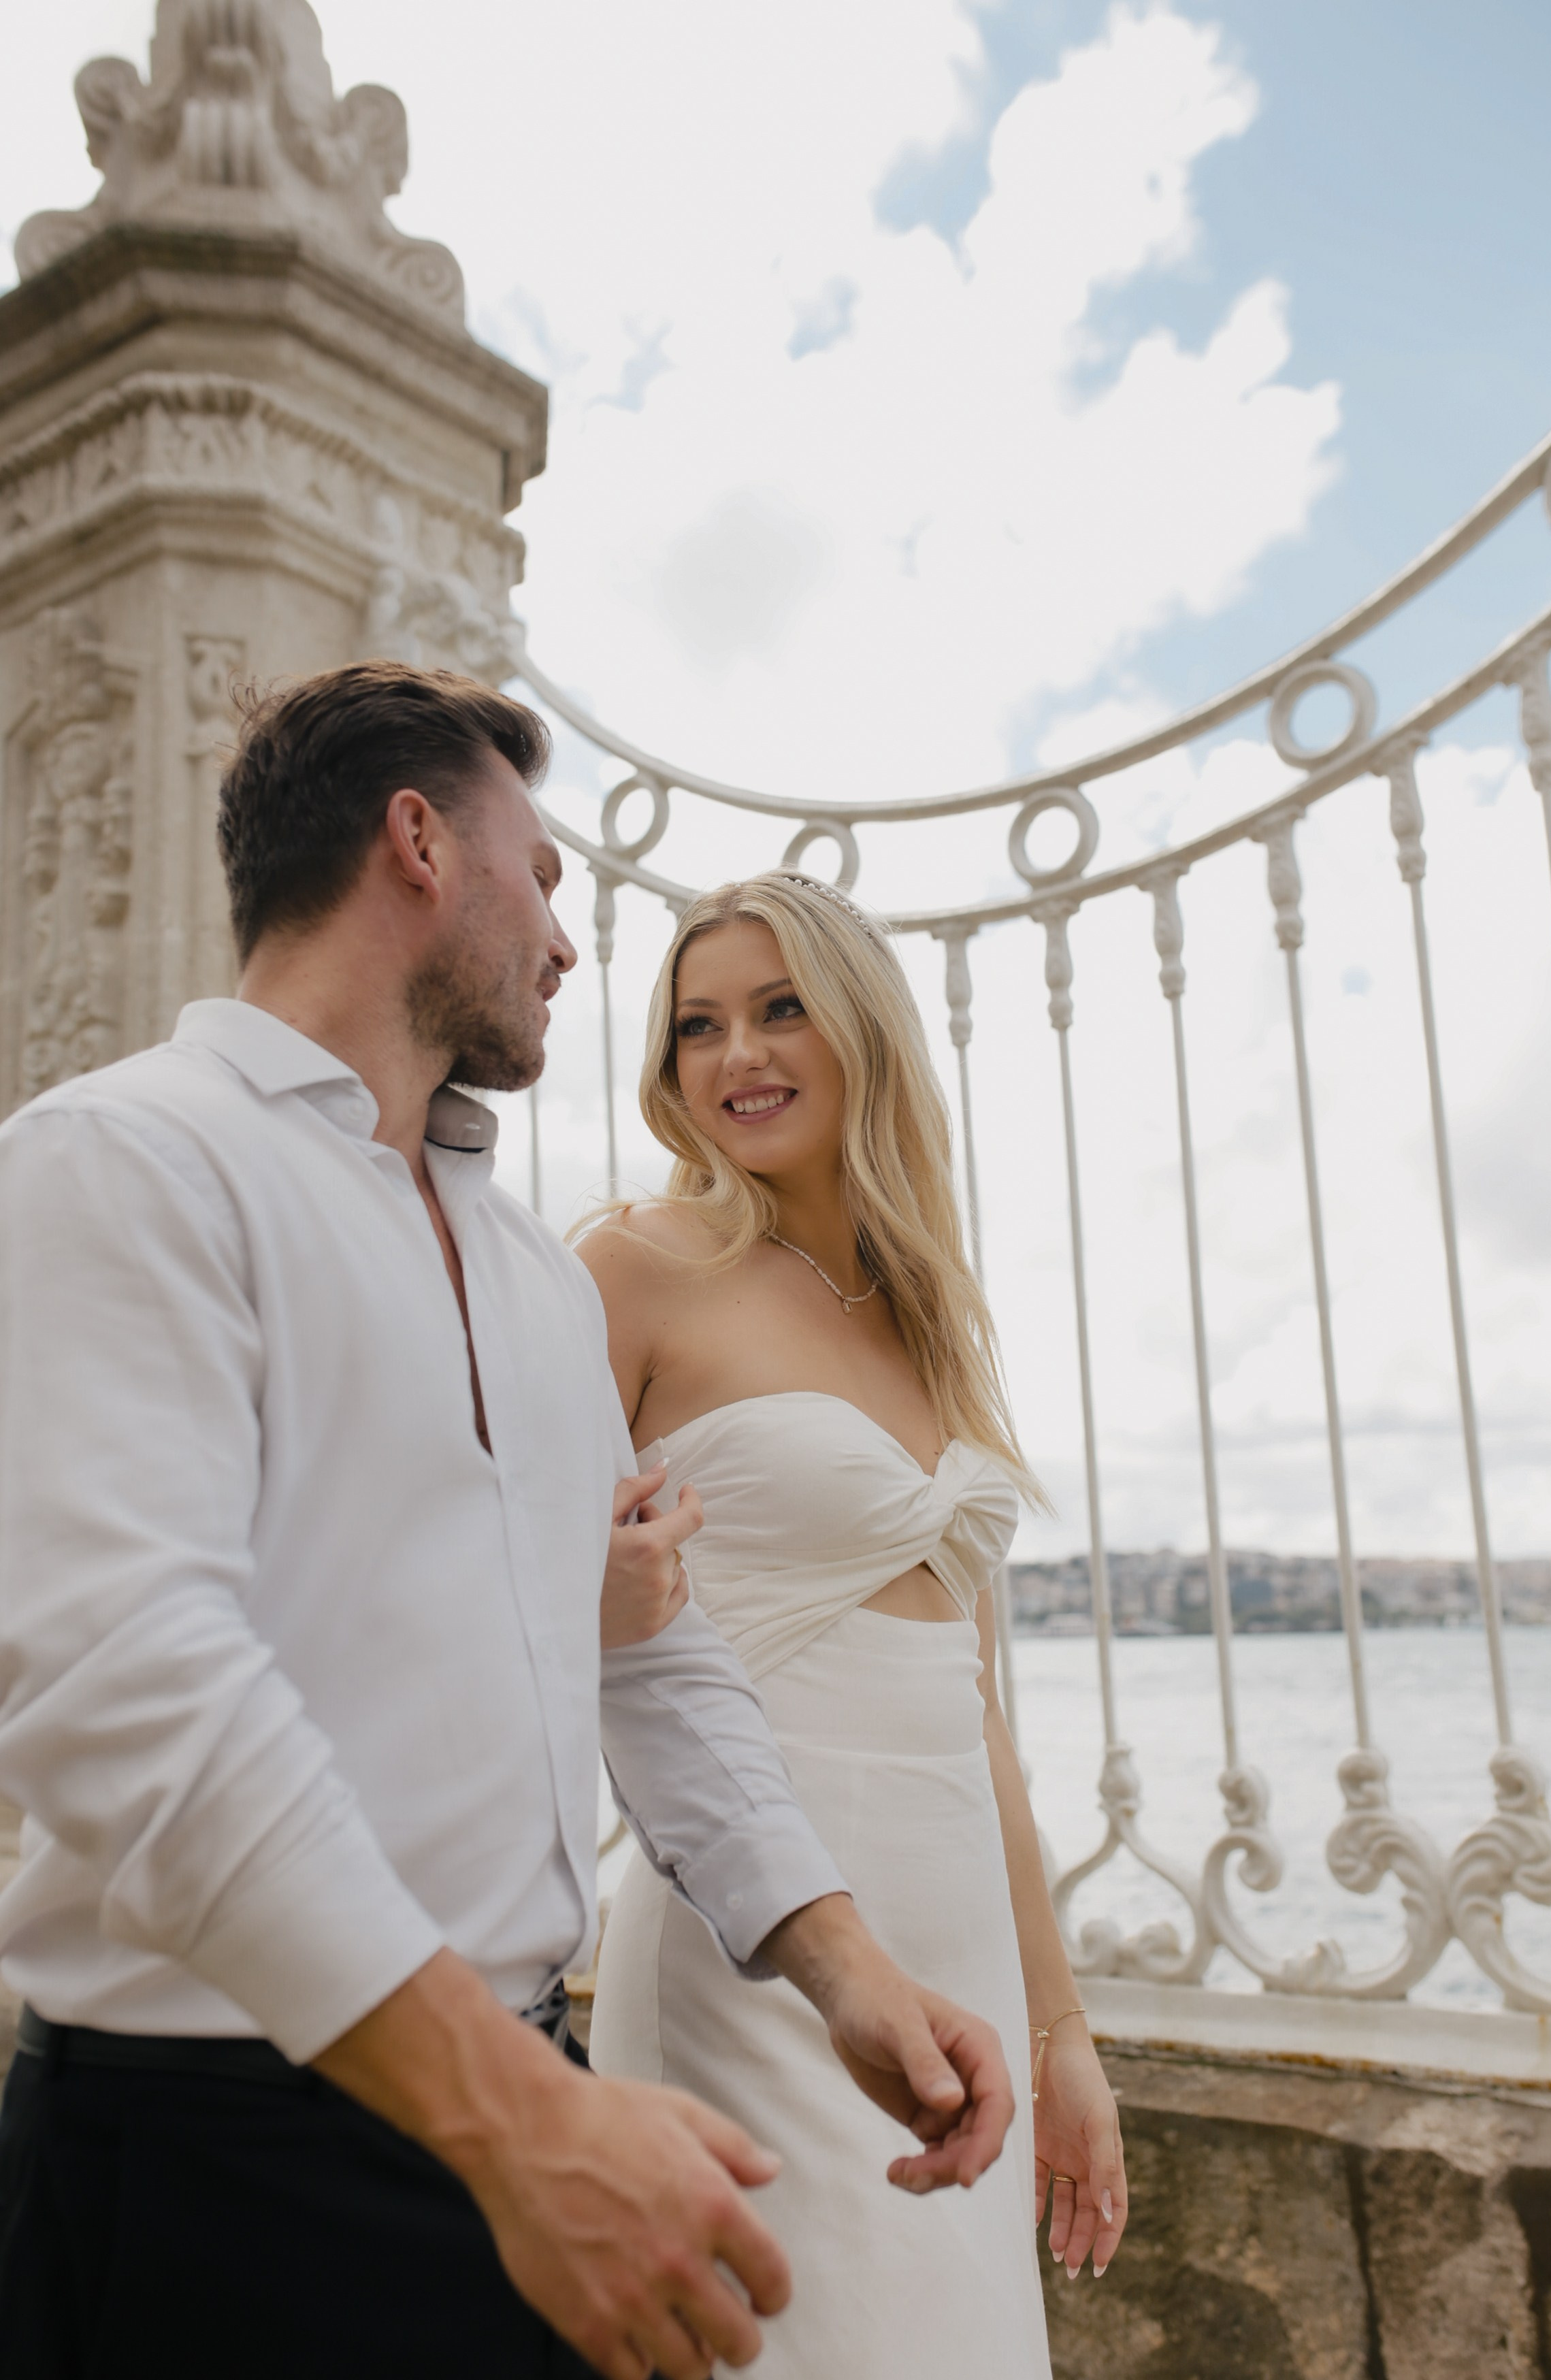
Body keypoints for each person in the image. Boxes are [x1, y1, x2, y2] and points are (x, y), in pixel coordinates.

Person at [0, 665, 1017, 2380]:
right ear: (418, 843)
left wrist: (843, 1966)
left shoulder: (533, 1277)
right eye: (539, 878)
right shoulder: (116, 1165)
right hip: (211, 2158)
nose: (564, 940)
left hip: (520, 2122)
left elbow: (655, 1657)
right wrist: (516, 2121)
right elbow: (127, 1695)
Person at [580, 870, 1128, 2379]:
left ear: (863, 1031)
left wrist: (1058, 2030)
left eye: (778, 1010)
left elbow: (976, 1714)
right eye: (697, 1026)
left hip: (957, 1948)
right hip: (755, 1946)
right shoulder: (632, 1269)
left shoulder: (930, 1318)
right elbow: (509, 1594)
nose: (735, 1057)